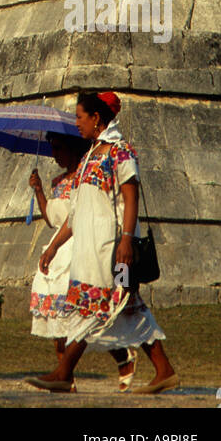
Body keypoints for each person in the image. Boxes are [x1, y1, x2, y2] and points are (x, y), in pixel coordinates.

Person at [26, 92, 179, 394]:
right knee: (125, 305)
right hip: (90, 250)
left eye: (80, 117)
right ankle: (164, 370)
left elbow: (131, 197)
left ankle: (64, 372)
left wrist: (125, 241)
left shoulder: (120, 152)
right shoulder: (90, 157)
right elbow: (77, 210)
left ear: (96, 118)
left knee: (98, 304)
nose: (77, 123)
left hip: (114, 251)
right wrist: (56, 246)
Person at [30, 133, 136, 392]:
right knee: (55, 315)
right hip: (57, 247)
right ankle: (65, 376)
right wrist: (39, 191)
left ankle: (119, 355)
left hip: (79, 247)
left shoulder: (86, 173)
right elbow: (52, 219)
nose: (55, 154)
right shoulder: (58, 181)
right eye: (52, 148)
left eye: (59, 148)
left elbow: (79, 217)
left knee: (86, 313)